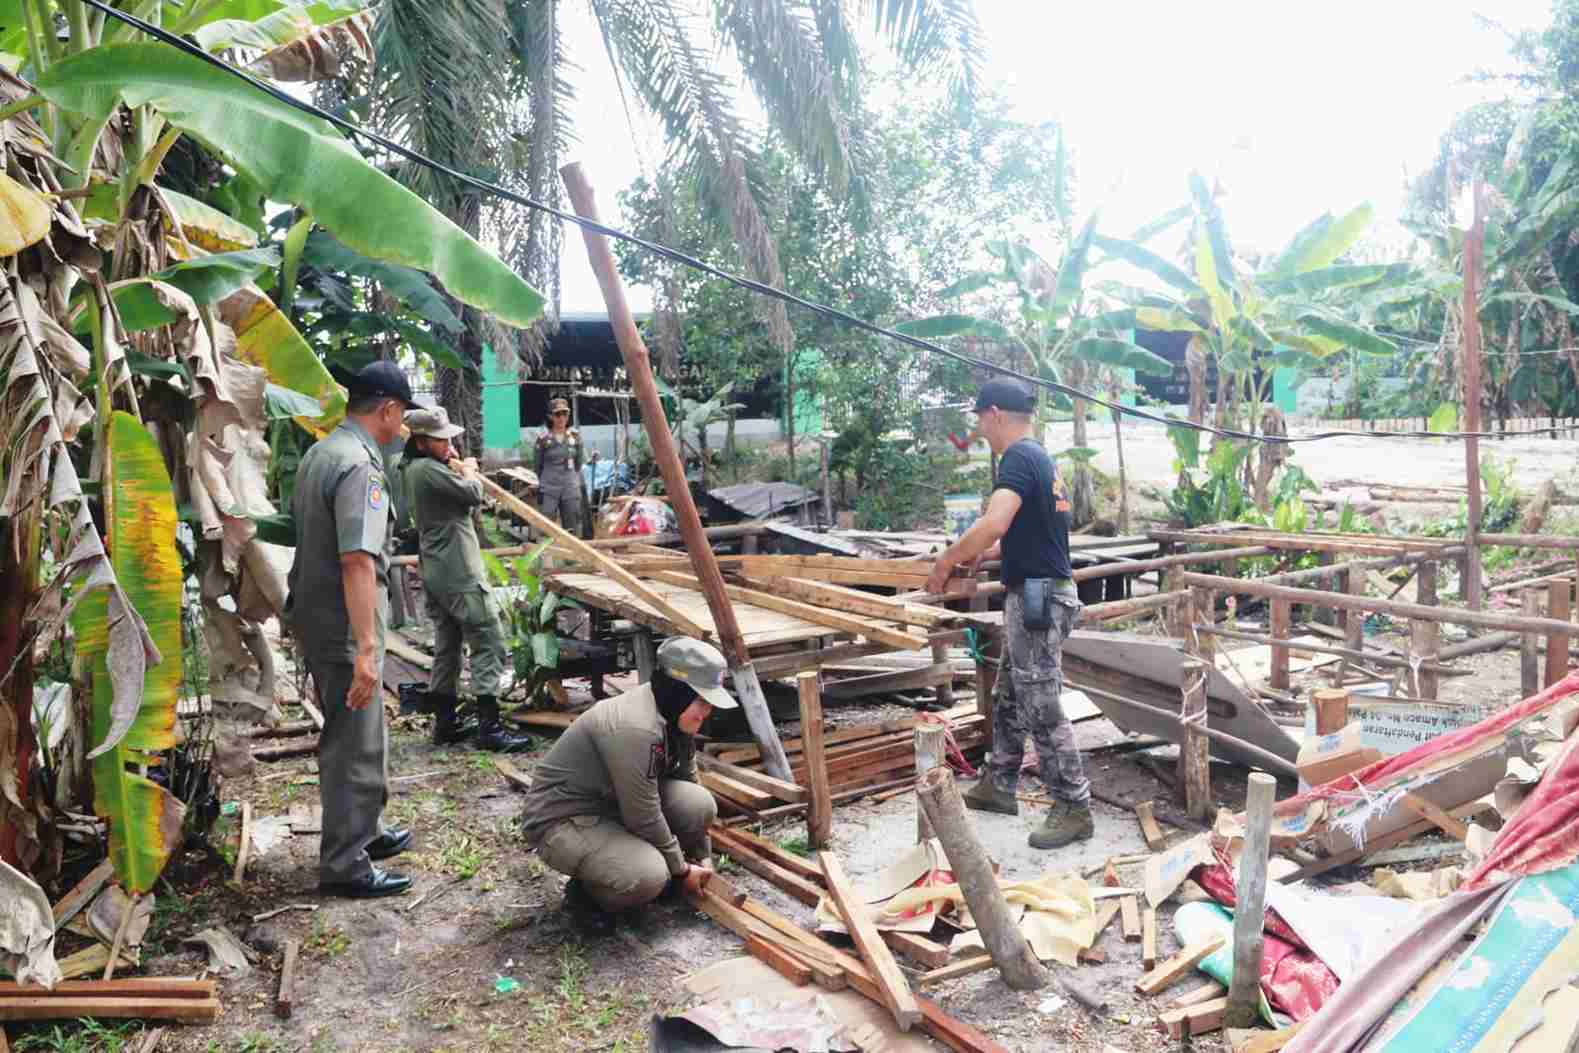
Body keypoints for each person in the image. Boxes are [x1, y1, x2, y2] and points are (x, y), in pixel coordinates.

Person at [924, 378, 1092, 850]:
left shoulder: (1018, 457)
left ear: (994, 414)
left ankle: (1074, 806)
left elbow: (993, 521)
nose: (978, 428)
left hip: (1039, 597)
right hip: (1036, 592)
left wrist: (947, 560)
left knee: (1041, 703)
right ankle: (999, 784)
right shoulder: (1039, 457)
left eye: (979, 419)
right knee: (1010, 696)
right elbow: (1027, 531)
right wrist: (992, 553)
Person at [285, 361, 418, 898]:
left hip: (320, 610)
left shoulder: (323, 451)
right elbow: (357, 561)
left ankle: (366, 829)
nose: (402, 425)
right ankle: (345, 862)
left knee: (364, 730)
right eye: (401, 414)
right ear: (387, 409)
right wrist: (366, 647)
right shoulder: (360, 467)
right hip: (344, 619)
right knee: (353, 739)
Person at [519, 638, 730, 919]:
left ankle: (632, 857)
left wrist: (703, 857)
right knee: (648, 876)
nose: (707, 712)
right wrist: (681, 872)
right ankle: (587, 896)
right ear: (678, 692)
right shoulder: (636, 728)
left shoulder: (670, 712)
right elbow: (642, 815)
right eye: (702, 701)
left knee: (699, 803)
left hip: (613, 801)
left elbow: (688, 780)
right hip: (563, 819)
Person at [401, 405, 533, 753]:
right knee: (489, 637)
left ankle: (446, 722)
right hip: (458, 571)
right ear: (420, 442)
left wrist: (451, 464)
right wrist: (471, 471)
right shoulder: (428, 470)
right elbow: (474, 495)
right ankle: (489, 726)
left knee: (448, 645)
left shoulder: (416, 468)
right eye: (440, 440)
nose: (449, 445)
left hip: (437, 569)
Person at [535, 397, 584, 535]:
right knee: (546, 527)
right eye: (557, 414)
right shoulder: (543, 439)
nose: (562, 418)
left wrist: (572, 480)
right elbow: (538, 466)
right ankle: (548, 556)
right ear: (551, 416)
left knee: (572, 527)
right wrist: (546, 480)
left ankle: (572, 556)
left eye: (565, 413)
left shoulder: (575, 437)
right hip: (549, 488)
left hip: (569, 487)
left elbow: (578, 464)